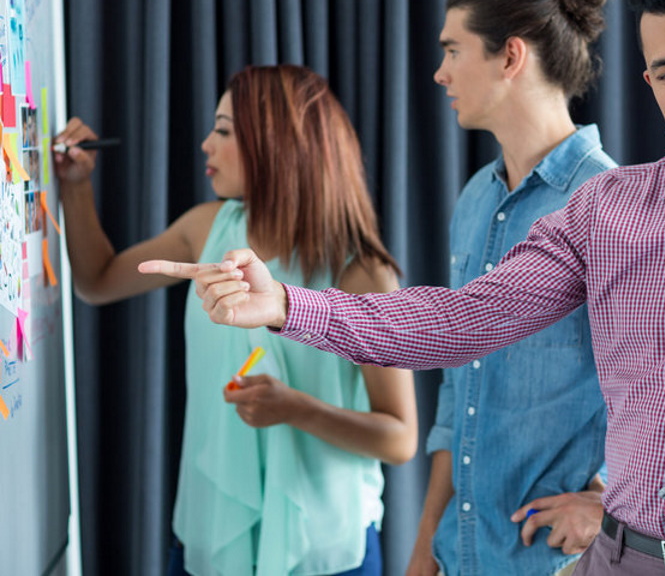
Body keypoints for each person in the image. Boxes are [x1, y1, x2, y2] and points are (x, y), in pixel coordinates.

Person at [141, 0, 665, 575]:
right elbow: (461, 322)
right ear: (648, 83)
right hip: (619, 560)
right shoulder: (607, 211)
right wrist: (289, 306)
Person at [55, 65, 417, 576]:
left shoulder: (363, 273)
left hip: (326, 553)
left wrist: (295, 409)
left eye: (224, 130)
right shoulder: (205, 229)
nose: (205, 144)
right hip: (211, 537)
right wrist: (74, 187)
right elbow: (96, 282)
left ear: (275, 143)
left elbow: (400, 438)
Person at [404, 0, 617, 576]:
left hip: (556, 564)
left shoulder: (606, 201)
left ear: (510, 56)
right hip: (462, 556)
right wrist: (424, 546)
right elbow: (456, 387)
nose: (440, 72)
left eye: (453, 49)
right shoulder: (475, 198)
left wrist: (608, 502)